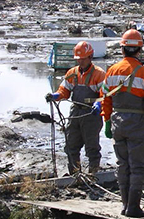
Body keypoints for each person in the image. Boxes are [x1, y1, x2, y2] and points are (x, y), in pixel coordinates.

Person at [101, 29, 144, 218]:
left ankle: (124, 206)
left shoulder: (111, 71)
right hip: (137, 122)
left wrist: (106, 122)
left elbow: (105, 99)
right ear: (139, 50)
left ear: (122, 50)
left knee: (123, 164)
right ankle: (133, 208)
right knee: (138, 166)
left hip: (117, 122)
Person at [45, 41, 106, 175]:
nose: (81, 62)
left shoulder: (99, 74)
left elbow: (105, 95)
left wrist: (98, 104)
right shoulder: (72, 73)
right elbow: (64, 91)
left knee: (92, 147)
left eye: (83, 59)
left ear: (90, 57)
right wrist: (55, 96)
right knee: (71, 145)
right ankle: (75, 174)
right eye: (78, 59)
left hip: (91, 114)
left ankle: (93, 174)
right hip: (75, 113)